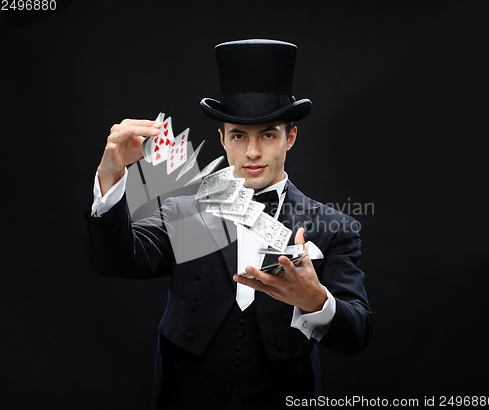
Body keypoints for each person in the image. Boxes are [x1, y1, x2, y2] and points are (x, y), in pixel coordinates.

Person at [85, 39, 372, 410]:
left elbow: (358, 335)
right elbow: (115, 260)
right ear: (222, 139)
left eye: (268, 134)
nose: (253, 152)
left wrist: (318, 302)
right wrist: (111, 178)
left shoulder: (333, 226)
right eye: (239, 135)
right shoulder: (182, 212)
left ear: (291, 137)